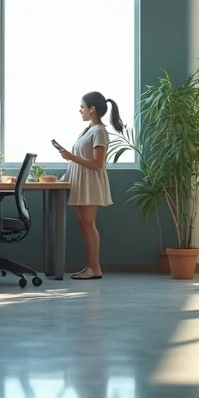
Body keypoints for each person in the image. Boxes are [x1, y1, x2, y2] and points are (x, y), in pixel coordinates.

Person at [58, 91, 125, 280]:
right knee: (83, 224)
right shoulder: (88, 129)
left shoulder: (100, 131)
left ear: (92, 109)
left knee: (88, 224)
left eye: (82, 107)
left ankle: (95, 268)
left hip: (90, 183)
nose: (80, 110)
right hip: (81, 181)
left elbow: (98, 164)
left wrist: (71, 157)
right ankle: (89, 266)